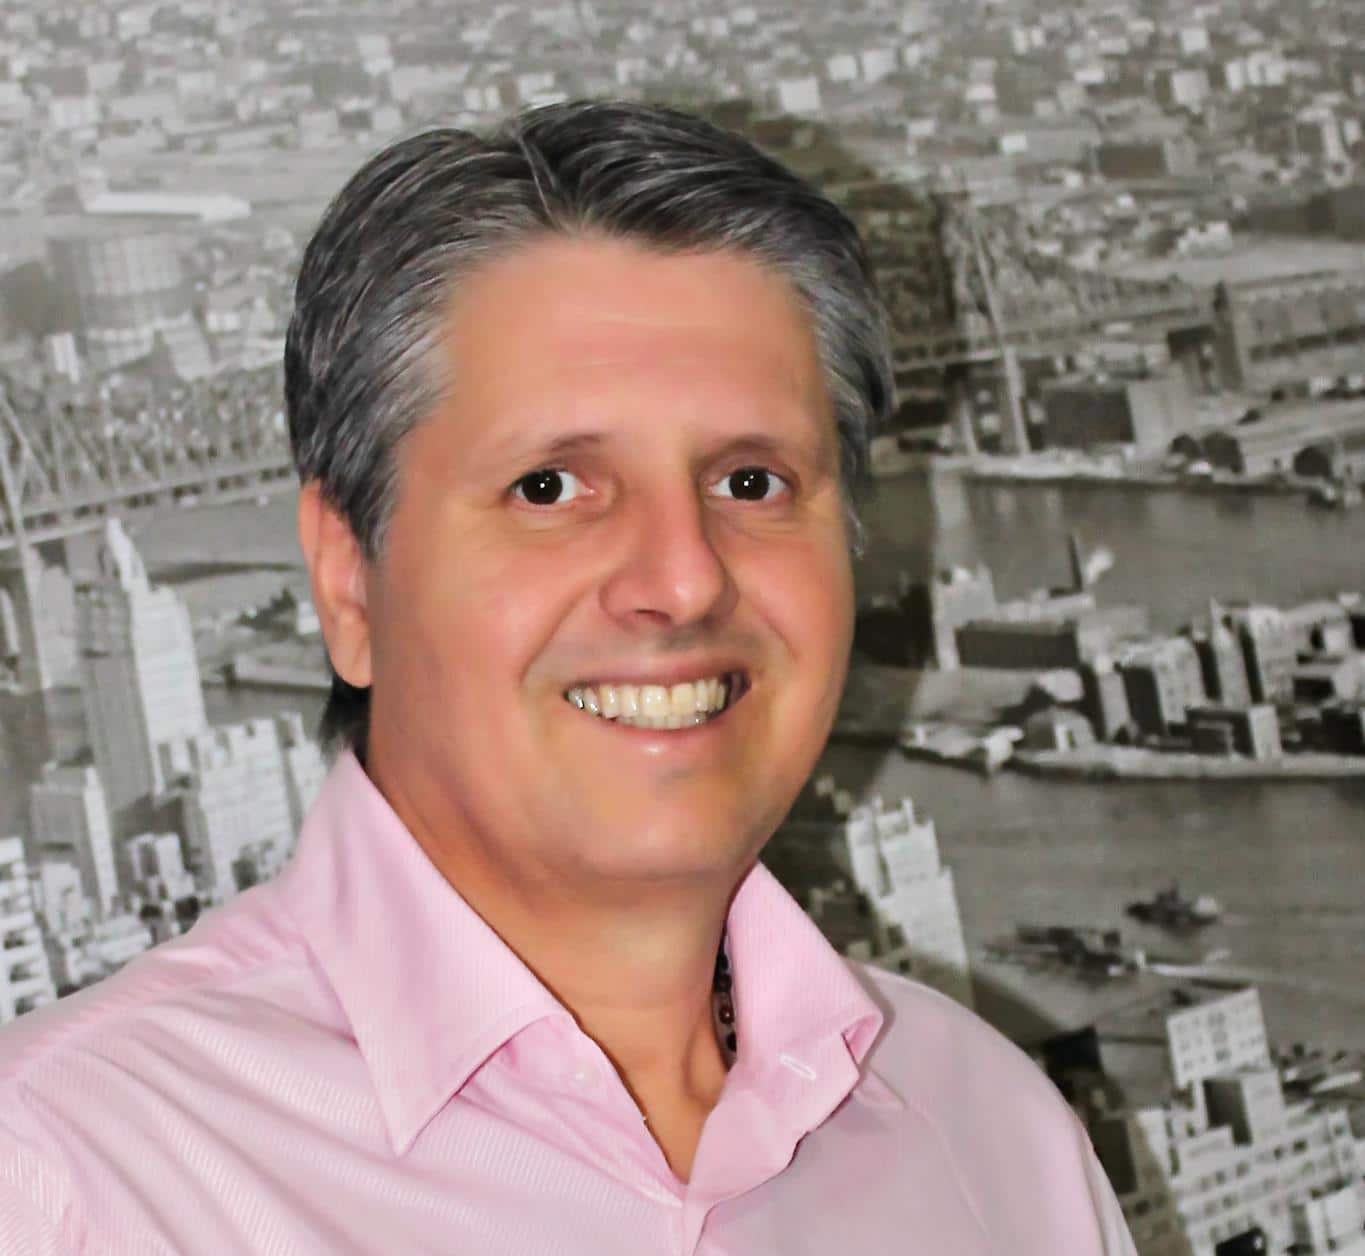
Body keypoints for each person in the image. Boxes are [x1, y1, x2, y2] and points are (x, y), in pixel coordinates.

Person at [0, 101, 1136, 1254]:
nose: (683, 579)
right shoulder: (60, 1185)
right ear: (349, 585)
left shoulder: (994, 1140)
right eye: (548, 487)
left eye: (751, 482)